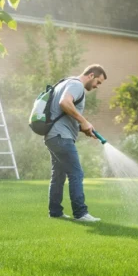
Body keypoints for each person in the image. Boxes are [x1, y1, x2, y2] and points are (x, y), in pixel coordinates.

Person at [44, 64, 106, 222]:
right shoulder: (76, 85)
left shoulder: (65, 83)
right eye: (98, 82)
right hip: (61, 137)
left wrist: (83, 127)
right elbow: (64, 103)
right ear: (91, 75)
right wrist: (84, 121)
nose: (97, 86)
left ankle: (55, 211)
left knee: (58, 175)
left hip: (53, 135)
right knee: (76, 174)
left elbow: (62, 114)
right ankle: (80, 213)